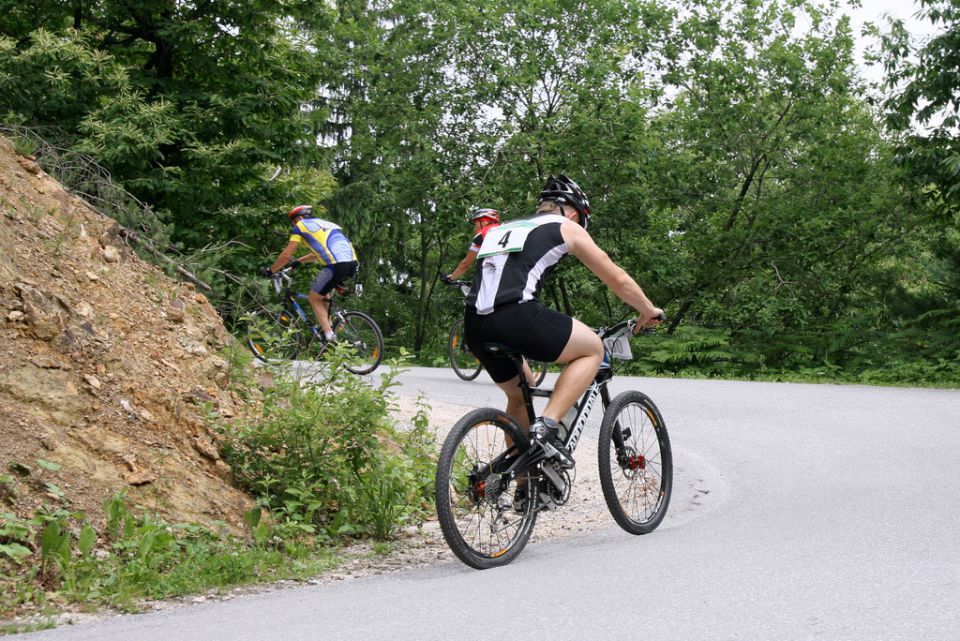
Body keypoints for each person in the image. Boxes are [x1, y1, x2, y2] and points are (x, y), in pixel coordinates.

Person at [462, 174, 663, 469]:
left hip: (474, 326)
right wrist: (647, 310)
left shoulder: (501, 229)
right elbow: (617, 278)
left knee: (521, 394)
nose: (580, 227)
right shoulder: (565, 225)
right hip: (516, 315)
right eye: (581, 220)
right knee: (593, 348)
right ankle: (547, 425)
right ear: (571, 211)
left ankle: (522, 489)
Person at [260, 205, 358, 343]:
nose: (293, 225)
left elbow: (287, 255)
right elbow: (319, 252)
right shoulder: (324, 224)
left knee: (313, 298)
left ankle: (329, 335)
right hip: (352, 264)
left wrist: (271, 270)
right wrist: (299, 261)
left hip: (335, 265)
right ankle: (328, 325)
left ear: (299, 218)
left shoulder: (300, 227)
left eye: (293, 222)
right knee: (323, 291)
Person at [441, 208, 501, 283]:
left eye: (476, 224)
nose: (475, 228)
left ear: (484, 222)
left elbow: (465, 264)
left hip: (494, 279)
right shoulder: (506, 230)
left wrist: (451, 277)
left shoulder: (483, 235)